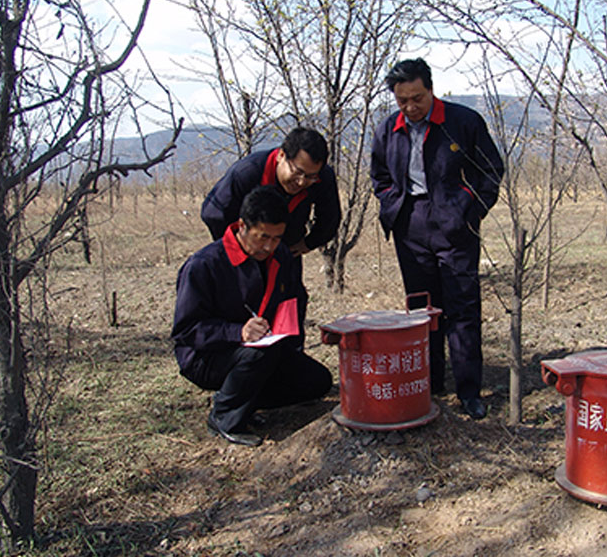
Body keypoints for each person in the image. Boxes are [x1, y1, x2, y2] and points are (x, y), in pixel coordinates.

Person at [370, 58, 505, 420]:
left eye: (417, 98)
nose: (411, 107)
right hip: (409, 223)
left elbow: (490, 171)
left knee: (462, 305)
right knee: (422, 309)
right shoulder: (387, 129)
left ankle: (469, 390)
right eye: (403, 101)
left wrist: (470, 210)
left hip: (455, 223)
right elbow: (379, 176)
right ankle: (428, 383)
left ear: (431, 89)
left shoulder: (463, 122)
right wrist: (391, 204)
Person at [172, 186, 333, 446]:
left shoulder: (280, 256)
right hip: (207, 356)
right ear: (242, 227)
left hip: (264, 349)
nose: (269, 246)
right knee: (258, 354)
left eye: (277, 238)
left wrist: (292, 344)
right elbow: (187, 331)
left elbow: (293, 300)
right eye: (262, 237)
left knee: (316, 382)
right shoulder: (203, 265)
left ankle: (243, 402)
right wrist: (238, 332)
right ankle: (224, 416)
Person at [201, 126, 340, 256]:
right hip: (248, 253)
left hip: (287, 253)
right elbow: (213, 214)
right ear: (281, 155)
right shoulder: (247, 173)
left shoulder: (322, 177)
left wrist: (309, 243)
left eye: (310, 177)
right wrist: (237, 248)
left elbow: (330, 217)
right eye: (297, 172)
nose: (301, 182)